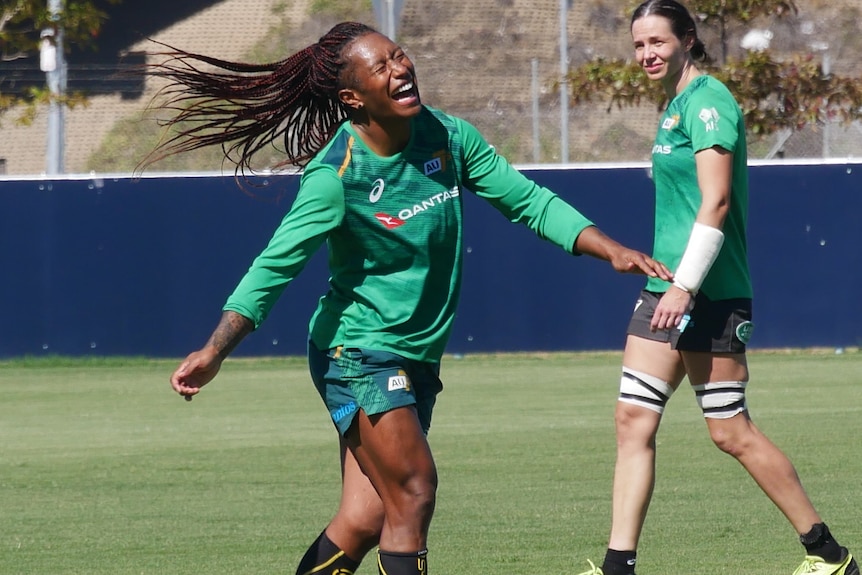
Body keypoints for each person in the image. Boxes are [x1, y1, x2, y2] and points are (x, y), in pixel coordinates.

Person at [149, 22, 672, 575]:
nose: (401, 69)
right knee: (415, 491)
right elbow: (273, 269)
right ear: (352, 97)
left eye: (400, 57)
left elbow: (528, 202)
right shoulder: (335, 177)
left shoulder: (447, 137)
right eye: (383, 66)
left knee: (364, 520)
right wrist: (215, 351)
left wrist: (608, 248)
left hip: (414, 356)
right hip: (357, 354)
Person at [576, 2, 858, 575]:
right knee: (632, 420)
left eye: (658, 41)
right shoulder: (674, 107)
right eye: (638, 45)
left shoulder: (709, 103)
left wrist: (686, 286)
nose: (647, 54)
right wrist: (671, 284)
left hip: (707, 291)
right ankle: (617, 565)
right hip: (666, 288)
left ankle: (830, 556)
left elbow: (718, 202)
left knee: (730, 430)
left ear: (687, 39)